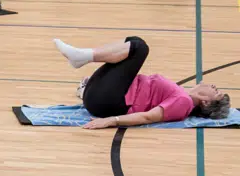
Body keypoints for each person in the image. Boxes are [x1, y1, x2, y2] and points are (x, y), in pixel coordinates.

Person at [53, 35, 230, 127]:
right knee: (134, 42)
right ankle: (82, 60)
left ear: (206, 103)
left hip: (108, 102)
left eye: (216, 92)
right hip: (104, 95)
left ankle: (82, 57)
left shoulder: (183, 103)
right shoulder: (182, 95)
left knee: (140, 48)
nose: (214, 87)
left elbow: (148, 117)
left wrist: (111, 121)